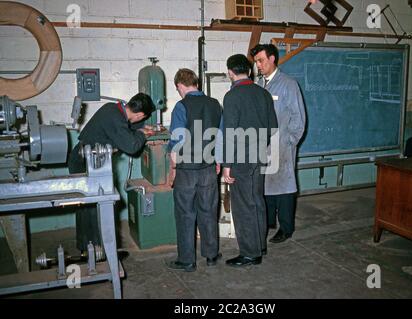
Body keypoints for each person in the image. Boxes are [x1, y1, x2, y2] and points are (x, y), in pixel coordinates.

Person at [68, 92, 155, 252]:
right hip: (86, 163)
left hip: (84, 160)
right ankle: (100, 251)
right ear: (140, 114)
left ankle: (87, 247)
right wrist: (142, 134)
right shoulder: (115, 118)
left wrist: (141, 127)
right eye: (142, 118)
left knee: (86, 208)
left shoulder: (113, 109)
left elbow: (125, 124)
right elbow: (131, 146)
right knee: (97, 209)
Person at [222, 54, 278, 267]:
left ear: (230, 72)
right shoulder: (263, 93)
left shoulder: (232, 96)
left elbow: (229, 133)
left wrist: (227, 166)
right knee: (257, 201)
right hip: (259, 155)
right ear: (249, 70)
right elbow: (273, 127)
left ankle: (249, 253)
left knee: (243, 206)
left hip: (240, 159)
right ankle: (259, 245)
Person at [167, 68, 222, 272]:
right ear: (196, 83)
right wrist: (218, 161)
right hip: (208, 167)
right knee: (208, 211)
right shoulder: (215, 104)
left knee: (185, 214)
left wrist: (173, 167)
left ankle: (187, 260)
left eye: (178, 89)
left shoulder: (181, 106)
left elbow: (177, 140)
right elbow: (221, 136)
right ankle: (211, 255)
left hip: (187, 170)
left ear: (180, 86)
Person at [250, 44, 306, 244]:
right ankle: (269, 222)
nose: (258, 65)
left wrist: (289, 142)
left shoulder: (288, 84)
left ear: (272, 59)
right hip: (262, 146)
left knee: (284, 187)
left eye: (261, 60)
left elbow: (299, 120)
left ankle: (286, 228)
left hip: (282, 145)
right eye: (256, 61)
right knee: (265, 185)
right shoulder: (258, 84)